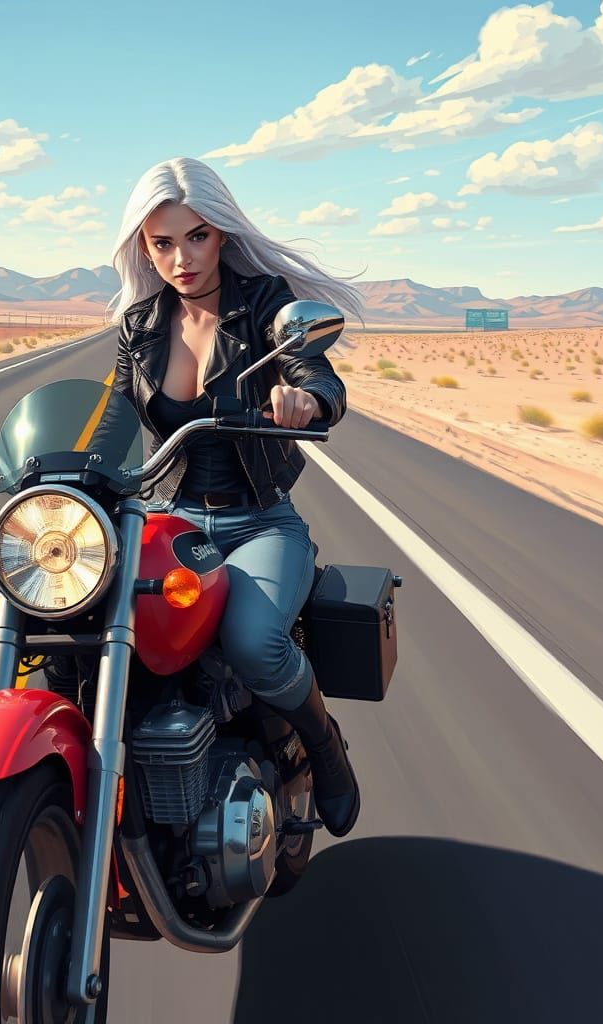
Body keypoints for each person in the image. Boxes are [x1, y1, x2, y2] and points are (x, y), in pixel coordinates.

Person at [105, 156, 366, 837]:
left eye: (196, 236)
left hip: (257, 522)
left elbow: (319, 375)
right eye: (162, 243)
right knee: (92, 630)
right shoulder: (140, 326)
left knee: (252, 643)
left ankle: (324, 745)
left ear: (221, 233)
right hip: (167, 521)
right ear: (143, 246)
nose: (181, 257)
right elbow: (106, 419)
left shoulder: (265, 304)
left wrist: (306, 397)